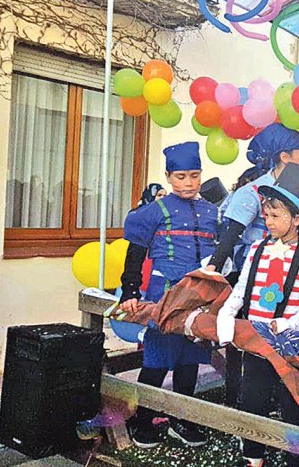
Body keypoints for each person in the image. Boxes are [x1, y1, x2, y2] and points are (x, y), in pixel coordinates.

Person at [214, 164, 299, 467]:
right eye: (266, 215)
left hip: (290, 345)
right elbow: (242, 288)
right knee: (253, 398)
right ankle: (253, 457)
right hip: (256, 340)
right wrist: (227, 312)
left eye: (276, 216)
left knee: (293, 403)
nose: (268, 221)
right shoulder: (256, 249)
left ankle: (296, 458)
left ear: (298, 219)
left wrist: (290, 323)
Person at [120, 142, 220, 448]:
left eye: (193, 175)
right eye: (180, 177)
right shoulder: (153, 212)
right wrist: (130, 290)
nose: (188, 183)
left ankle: (181, 420)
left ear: (201, 175)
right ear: (168, 177)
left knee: (190, 360)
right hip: (164, 295)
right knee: (157, 359)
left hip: (200, 296)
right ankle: (141, 420)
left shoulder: (213, 212)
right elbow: (135, 253)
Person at [206, 125, 299, 408]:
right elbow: (230, 236)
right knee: (246, 341)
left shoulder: (297, 190)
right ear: (285, 158)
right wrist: (213, 270)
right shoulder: (252, 190)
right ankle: (236, 402)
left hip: (285, 274)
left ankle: (273, 401)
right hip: (250, 273)